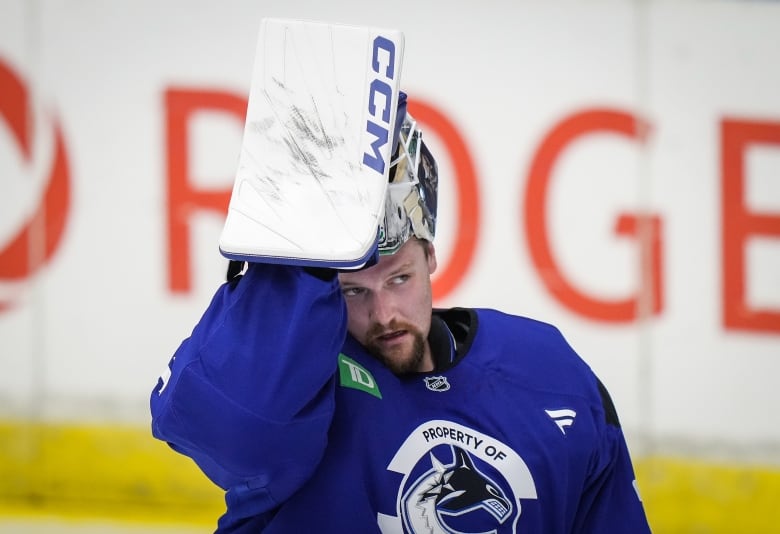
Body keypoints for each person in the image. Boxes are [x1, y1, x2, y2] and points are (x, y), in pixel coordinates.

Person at [150, 93, 652, 533]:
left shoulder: (549, 372)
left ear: (430, 256)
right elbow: (230, 430)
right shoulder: (297, 387)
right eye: (352, 293)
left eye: (399, 278)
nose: (384, 312)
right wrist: (291, 264)